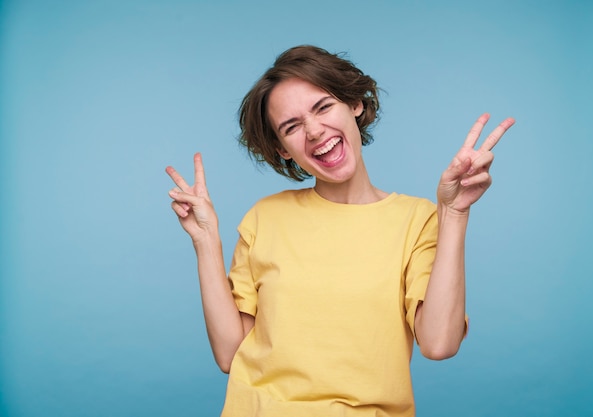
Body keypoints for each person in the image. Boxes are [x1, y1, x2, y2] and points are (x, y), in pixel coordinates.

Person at [166, 45, 515, 417]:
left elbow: (439, 344)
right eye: (292, 126)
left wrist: (454, 213)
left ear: (355, 104)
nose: (314, 131)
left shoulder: (418, 220)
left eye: (323, 107)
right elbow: (229, 354)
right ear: (283, 149)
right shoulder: (264, 217)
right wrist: (205, 241)